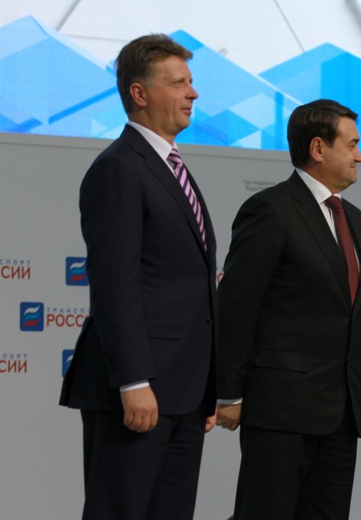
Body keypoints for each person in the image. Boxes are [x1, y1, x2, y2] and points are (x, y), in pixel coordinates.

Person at [59, 34, 217, 520]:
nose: (193, 92)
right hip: (138, 389)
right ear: (139, 93)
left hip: (185, 392)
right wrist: (132, 380)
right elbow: (115, 283)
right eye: (179, 83)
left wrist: (208, 385)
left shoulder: (171, 167)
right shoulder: (119, 168)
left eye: (191, 81)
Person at [215, 99, 361, 519]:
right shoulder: (271, 210)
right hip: (280, 409)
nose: (360, 156)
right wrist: (229, 392)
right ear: (318, 148)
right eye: (352, 145)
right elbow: (237, 306)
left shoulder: (356, 220)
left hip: (341, 412)